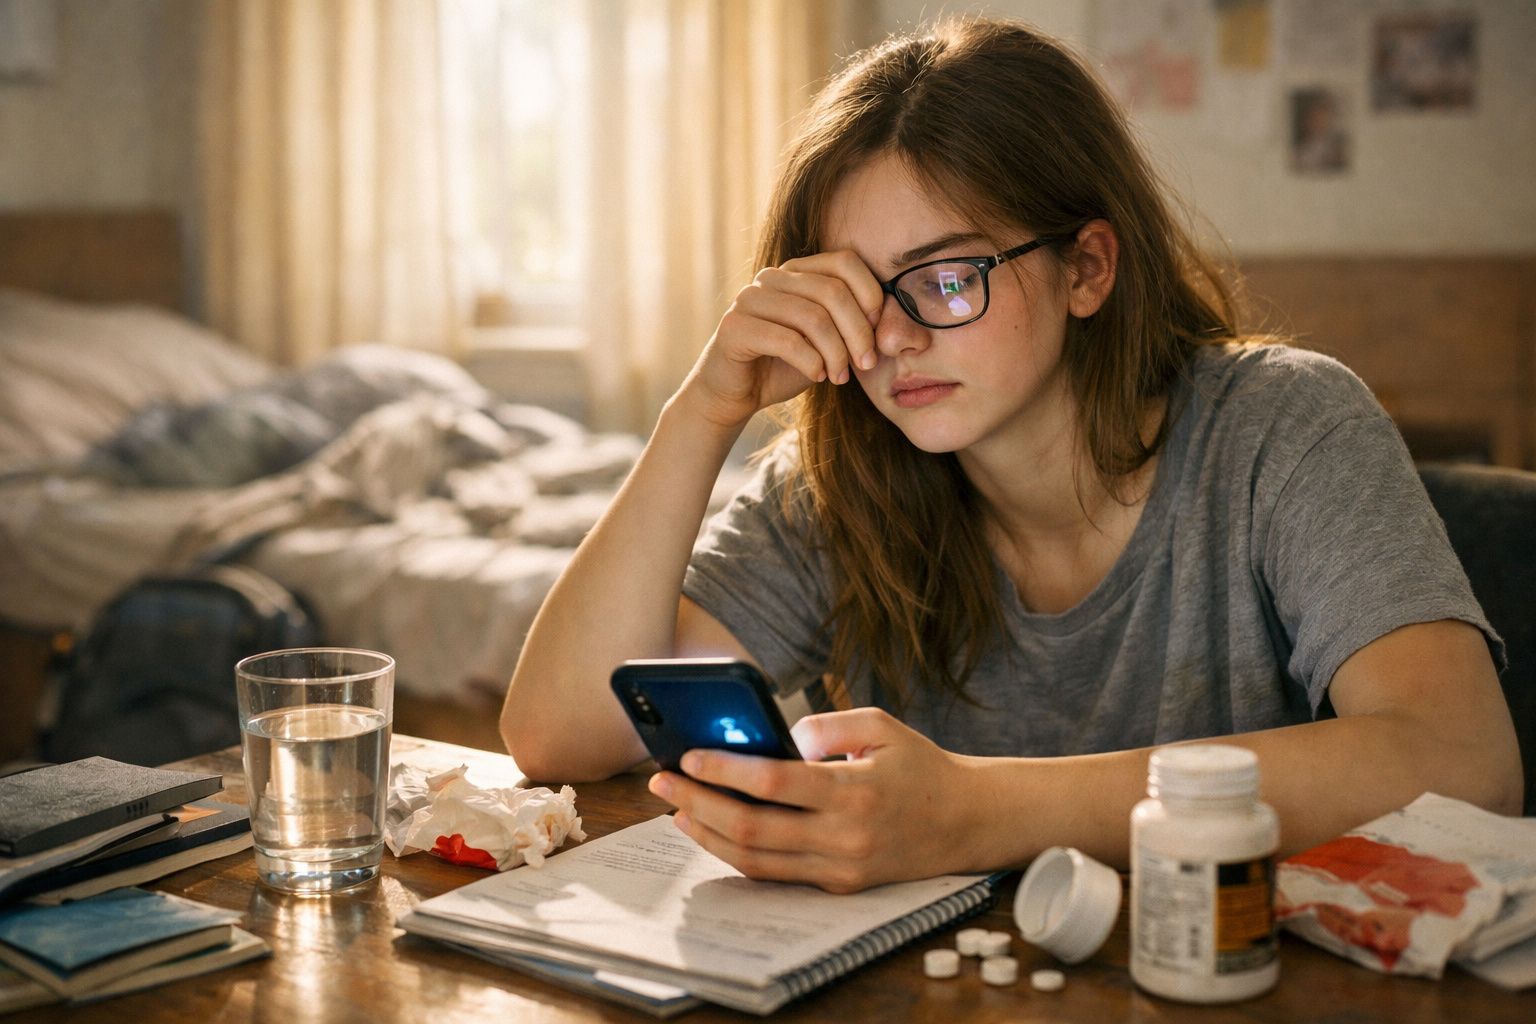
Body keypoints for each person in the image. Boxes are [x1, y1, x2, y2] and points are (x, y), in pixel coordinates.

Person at [501, 17, 1521, 893]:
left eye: (945, 279)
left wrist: (975, 811)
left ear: (1087, 266)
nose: (893, 337)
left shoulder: (1284, 426)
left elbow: (1464, 760)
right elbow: (558, 735)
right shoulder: (837, 482)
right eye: (857, 289)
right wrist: (702, 408)